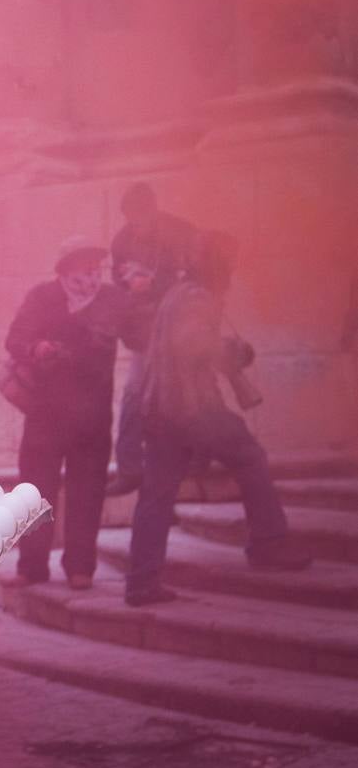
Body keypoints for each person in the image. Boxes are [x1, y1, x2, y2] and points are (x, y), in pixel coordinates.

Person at [125, 230, 311, 606]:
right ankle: (268, 543)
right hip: (193, 408)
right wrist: (233, 352)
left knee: (156, 497)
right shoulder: (197, 297)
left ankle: (141, 582)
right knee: (251, 456)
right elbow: (192, 345)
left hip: (161, 408)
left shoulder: (177, 293)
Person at [2, 236, 134, 591]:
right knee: (34, 492)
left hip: (92, 417)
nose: (90, 274)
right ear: (65, 270)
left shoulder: (113, 299)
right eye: (82, 266)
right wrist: (37, 348)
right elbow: (14, 339)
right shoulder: (43, 297)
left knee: (87, 495)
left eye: (95, 266)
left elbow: (139, 335)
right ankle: (32, 567)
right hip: (45, 414)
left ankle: (80, 569)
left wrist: (141, 292)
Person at [107, 182, 200, 496]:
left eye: (140, 216)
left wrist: (154, 281)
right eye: (131, 218)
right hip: (146, 329)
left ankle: (199, 457)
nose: (136, 224)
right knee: (135, 394)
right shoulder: (122, 240)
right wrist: (131, 282)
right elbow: (117, 281)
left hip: (181, 324)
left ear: (153, 209)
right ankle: (130, 468)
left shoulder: (180, 231)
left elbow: (198, 275)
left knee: (193, 390)